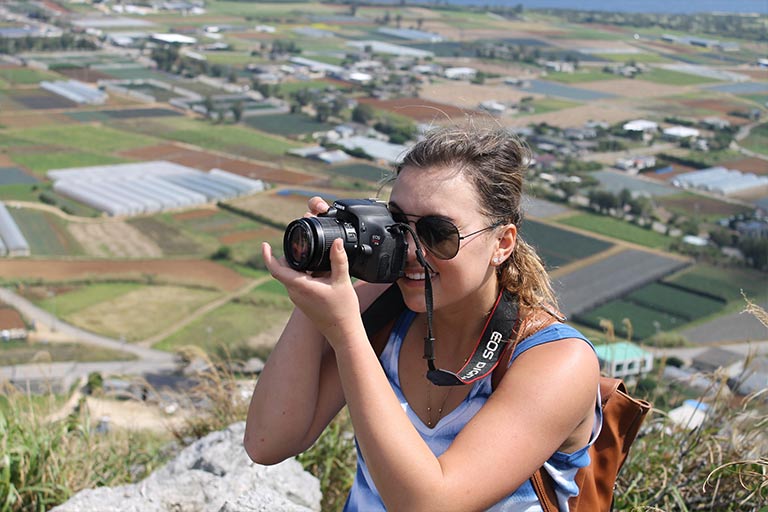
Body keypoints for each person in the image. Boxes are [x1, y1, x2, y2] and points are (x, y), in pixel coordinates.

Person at [244, 125, 601, 511]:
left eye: (437, 232)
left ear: (502, 243)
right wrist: (312, 288)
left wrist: (346, 334)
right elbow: (268, 442)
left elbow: (432, 505)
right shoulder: (384, 313)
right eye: (398, 226)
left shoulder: (557, 362)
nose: (411, 251)